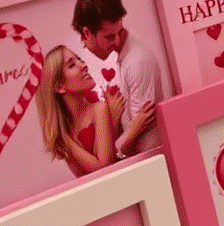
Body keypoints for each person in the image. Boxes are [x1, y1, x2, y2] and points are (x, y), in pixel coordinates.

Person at [71, 0, 171, 155]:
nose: (117, 41)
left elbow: (146, 143)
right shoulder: (128, 59)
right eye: (109, 36)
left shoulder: (137, 63)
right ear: (87, 33)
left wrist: (117, 145)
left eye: (119, 32)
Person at [35, 46, 152, 177]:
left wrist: (65, 140)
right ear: (59, 86)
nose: (83, 65)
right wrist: (112, 124)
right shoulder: (67, 133)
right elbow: (86, 177)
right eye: (72, 65)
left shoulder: (99, 109)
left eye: (79, 59)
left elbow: (103, 167)